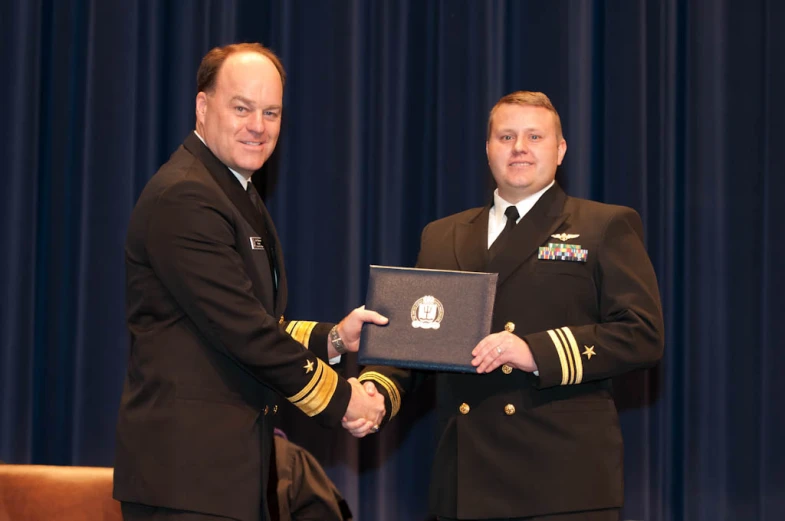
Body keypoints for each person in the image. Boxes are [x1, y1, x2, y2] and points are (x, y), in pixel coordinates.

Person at [350, 91, 664, 520]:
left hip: (561, 484)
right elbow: (418, 338)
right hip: (465, 482)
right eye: (506, 136)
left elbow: (642, 334)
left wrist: (535, 351)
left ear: (561, 149)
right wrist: (377, 391)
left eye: (535, 136)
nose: (519, 147)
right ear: (488, 148)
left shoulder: (602, 226)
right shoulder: (443, 235)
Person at [113, 43, 386, 521]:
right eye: (241, 108)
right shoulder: (186, 197)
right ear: (203, 107)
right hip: (187, 480)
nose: (258, 126)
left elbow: (257, 320)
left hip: (223, 476)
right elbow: (245, 332)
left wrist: (336, 339)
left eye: (271, 112)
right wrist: (344, 399)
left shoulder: (232, 190)